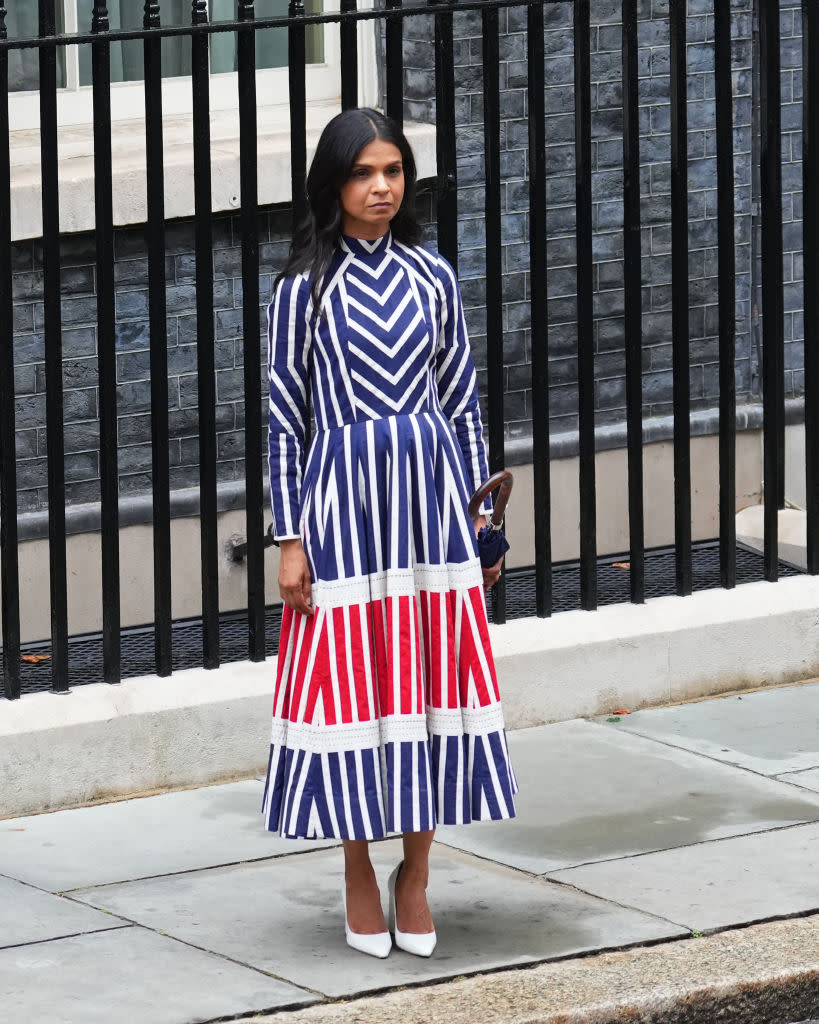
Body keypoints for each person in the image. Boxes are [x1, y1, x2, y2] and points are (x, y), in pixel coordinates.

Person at [262, 107, 517, 960]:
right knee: (353, 692)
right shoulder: (303, 288)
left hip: (430, 507)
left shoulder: (433, 275)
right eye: (365, 171)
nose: (380, 186)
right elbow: (282, 419)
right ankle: (358, 872)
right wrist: (289, 537)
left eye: (394, 172)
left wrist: (485, 520)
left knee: (431, 689)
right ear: (333, 182)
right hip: (341, 512)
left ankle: (415, 874)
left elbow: (463, 400)